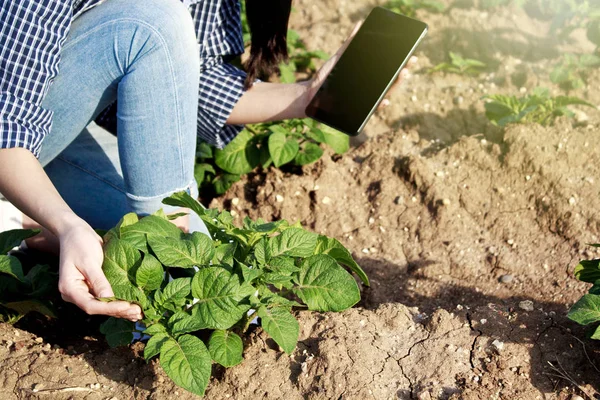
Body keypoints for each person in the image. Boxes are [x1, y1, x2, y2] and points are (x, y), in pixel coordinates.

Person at [0, 0, 409, 323]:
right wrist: (67, 224)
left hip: (55, 131)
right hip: (12, 129)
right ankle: (190, 283)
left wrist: (309, 97)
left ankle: (18, 216)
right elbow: (7, 125)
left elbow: (191, 81)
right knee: (154, 21)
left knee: (136, 236)